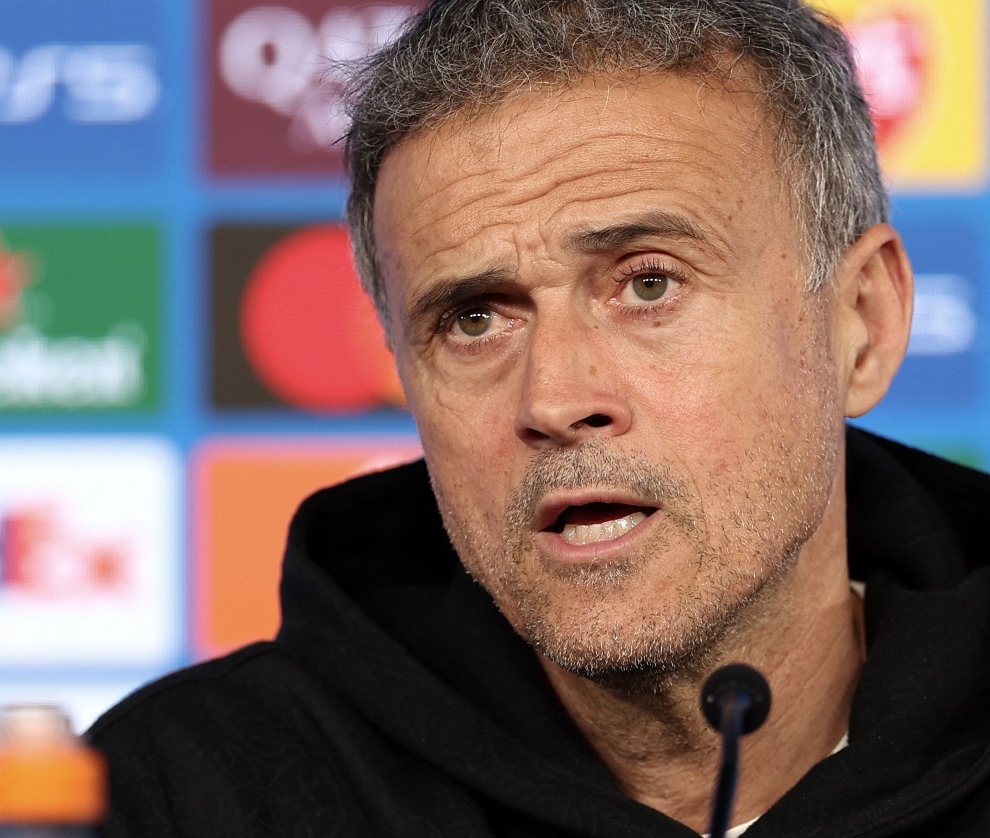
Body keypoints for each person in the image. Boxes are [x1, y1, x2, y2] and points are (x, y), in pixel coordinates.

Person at [87, 1, 990, 835]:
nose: (555, 399)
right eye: (474, 319)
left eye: (648, 284)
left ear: (862, 323)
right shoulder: (186, 797)